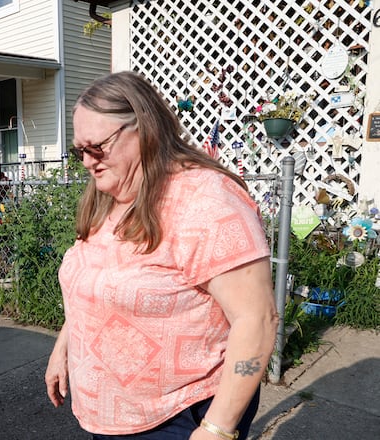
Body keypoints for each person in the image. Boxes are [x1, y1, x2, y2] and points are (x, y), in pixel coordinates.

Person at [45, 71, 278, 440]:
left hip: (177, 417)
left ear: (143, 129)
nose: (87, 162)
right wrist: (64, 348)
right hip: (109, 418)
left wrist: (216, 429)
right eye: (79, 151)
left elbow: (257, 320)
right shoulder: (106, 196)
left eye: (96, 147)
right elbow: (89, 284)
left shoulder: (206, 201)